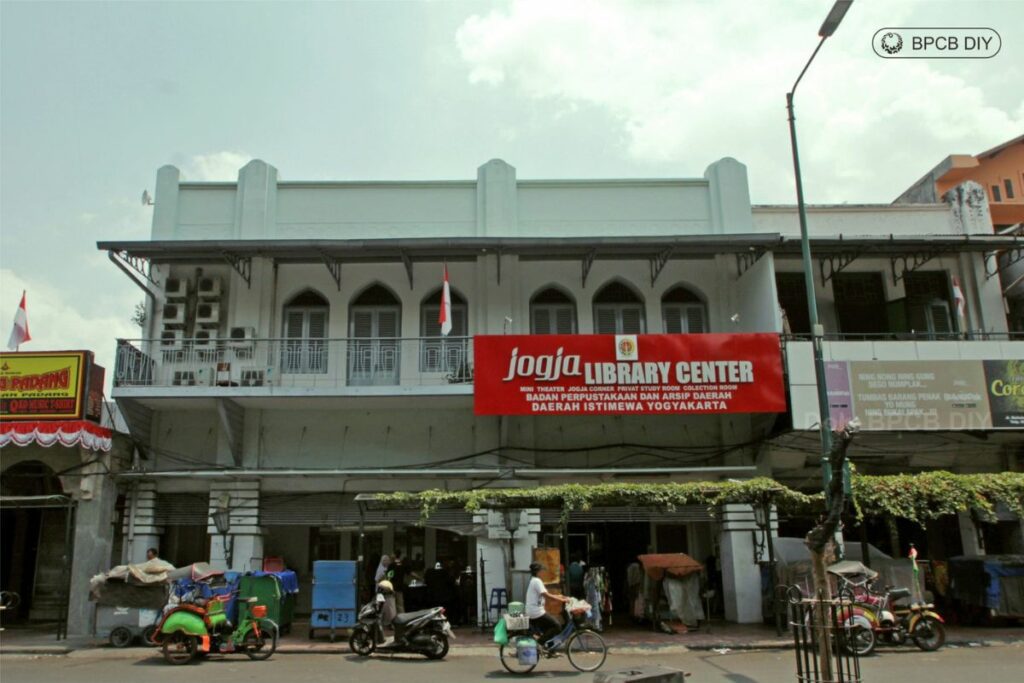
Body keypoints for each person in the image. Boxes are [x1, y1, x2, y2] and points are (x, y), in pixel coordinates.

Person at [526, 561, 570, 649]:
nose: (543, 572)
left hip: (534, 611)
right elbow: (547, 595)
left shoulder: (534, 580)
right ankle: (539, 643)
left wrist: (561, 596)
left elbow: (545, 593)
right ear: (538, 571)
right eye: (542, 570)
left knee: (549, 629)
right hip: (536, 612)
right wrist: (561, 600)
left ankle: (549, 649)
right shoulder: (537, 581)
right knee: (557, 626)